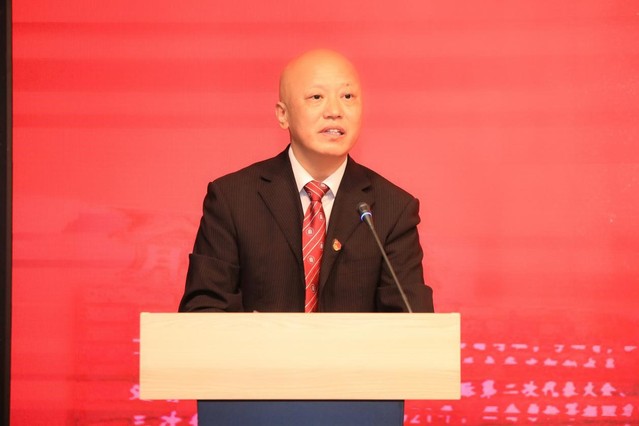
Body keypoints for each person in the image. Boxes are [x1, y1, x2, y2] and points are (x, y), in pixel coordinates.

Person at [178, 49, 434, 313]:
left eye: (347, 96)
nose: (334, 111)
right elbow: (204, 310)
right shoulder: (233, 199)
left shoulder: (393, 209)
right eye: (316, 97)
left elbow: (412, 320)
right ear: (283, 114)